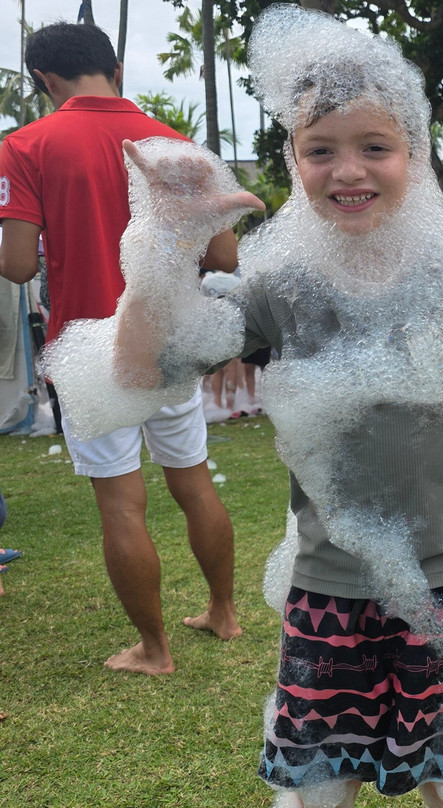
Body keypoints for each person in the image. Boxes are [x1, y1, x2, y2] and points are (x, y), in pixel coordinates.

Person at [48, 7, 443, 807]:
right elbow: (145, 368)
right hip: (327, 584)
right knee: (317, 786)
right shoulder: (279, 282)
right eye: (321, 150)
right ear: (294, 159)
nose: (347, 169)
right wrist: (166, 246)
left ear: (414, 157)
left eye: (374, 147)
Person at [0, 22, 241, 674]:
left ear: (45, 80)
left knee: (120, 502)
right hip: (170, 339)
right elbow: (223, 254)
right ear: (115, 65)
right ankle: (223, 612)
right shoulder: (176, 141)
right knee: (193, 481)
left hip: (90, 349)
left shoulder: (28, 145)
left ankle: (155, 650)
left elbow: (18, 265)